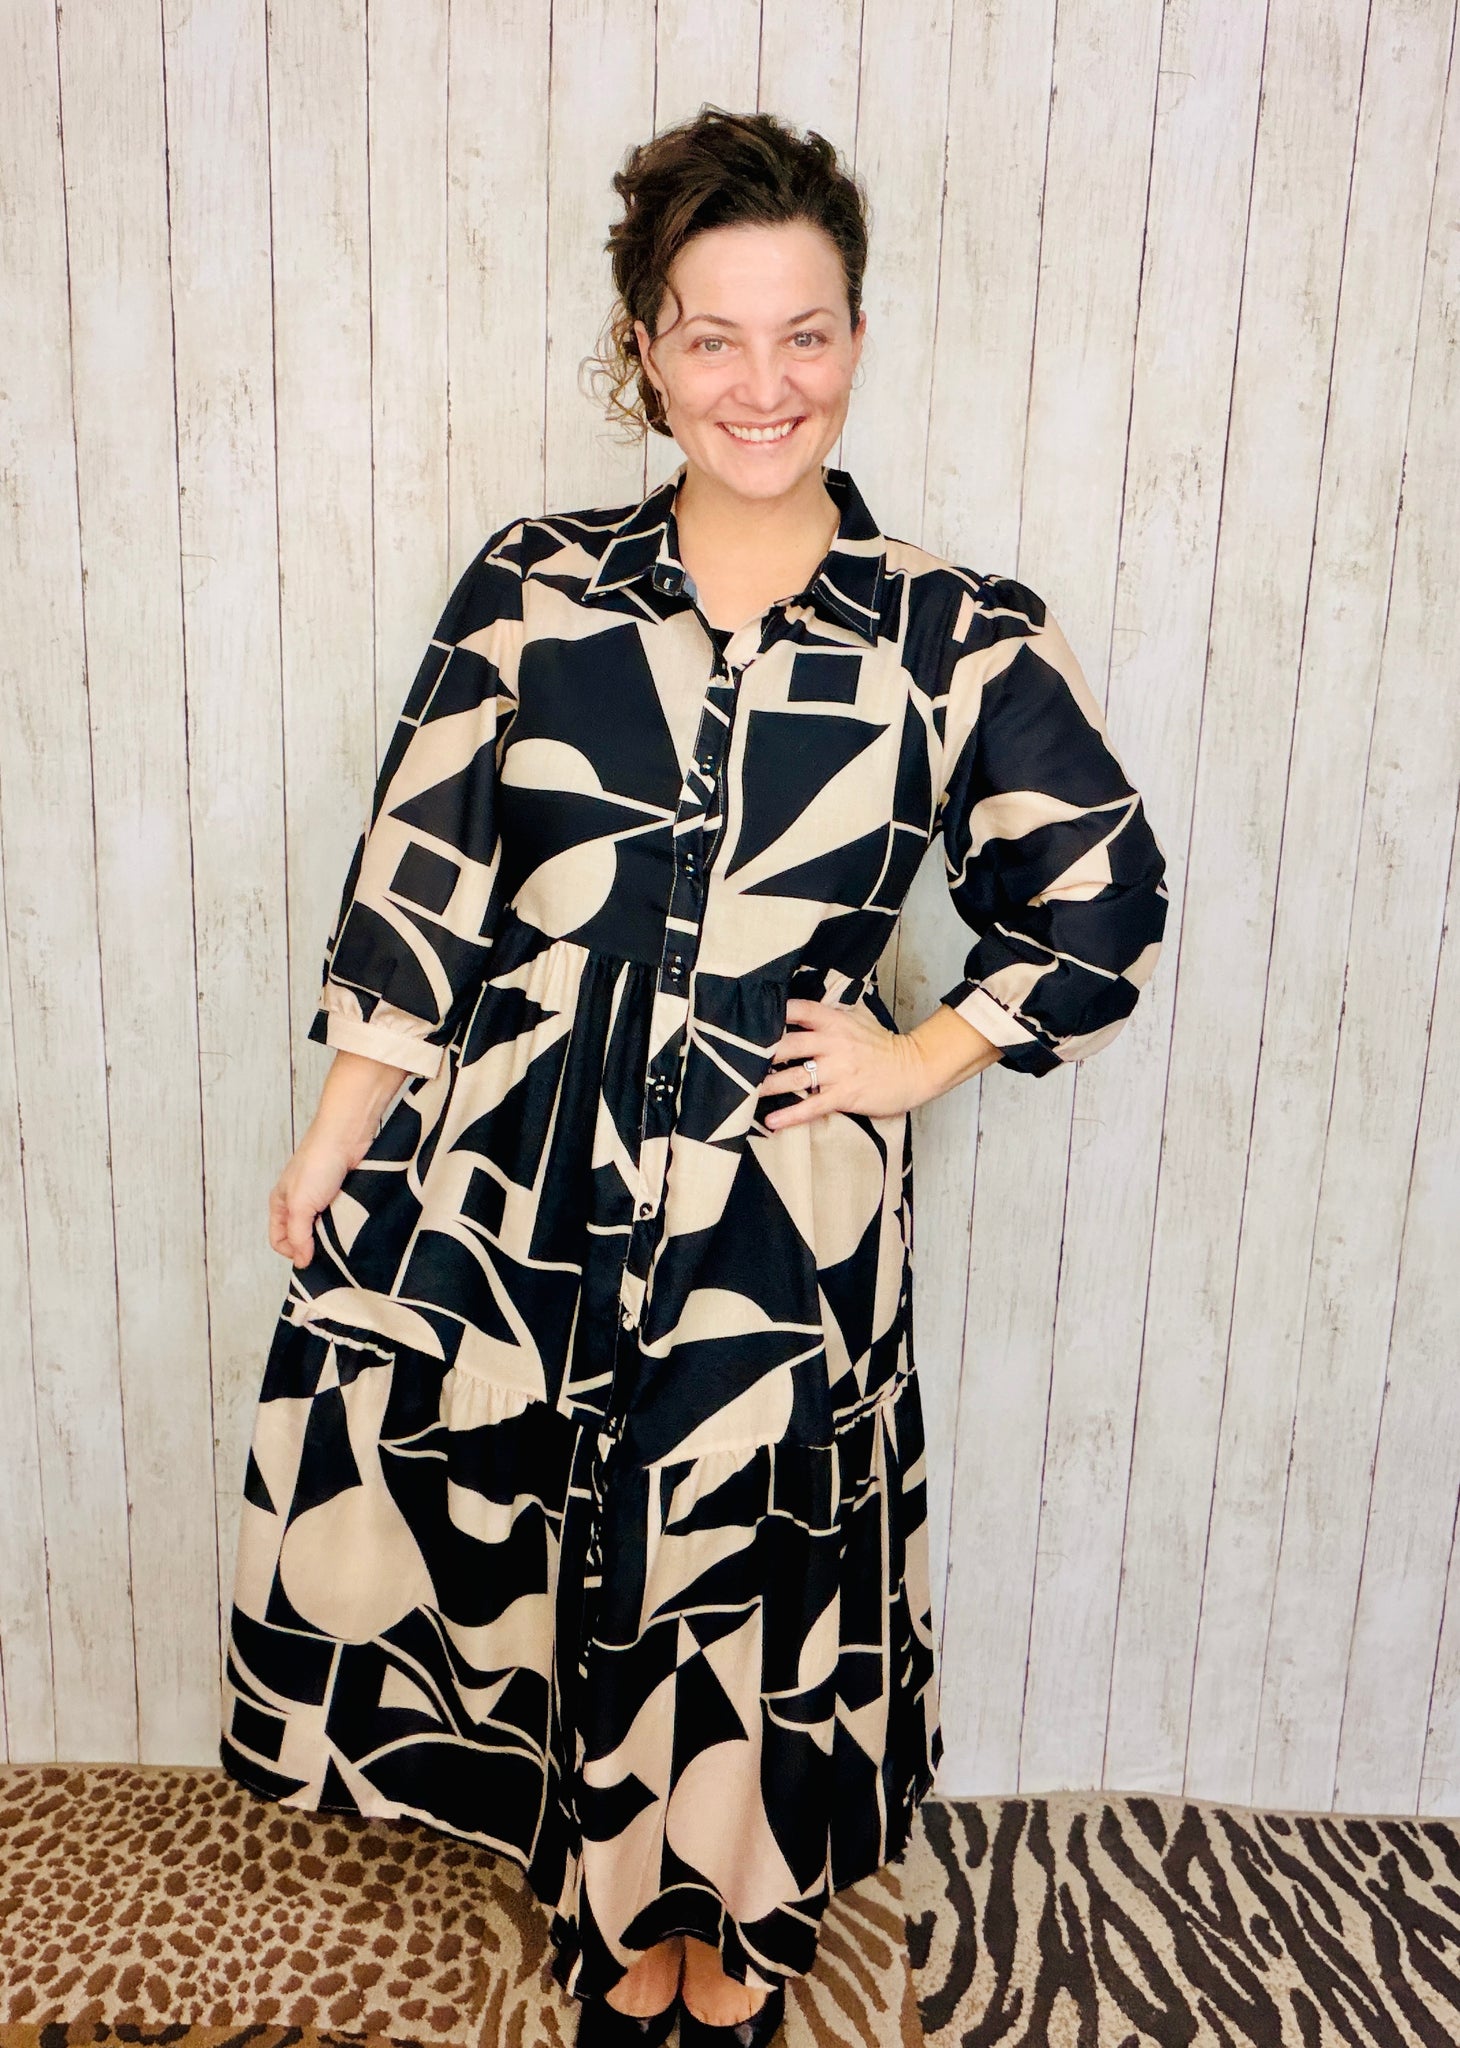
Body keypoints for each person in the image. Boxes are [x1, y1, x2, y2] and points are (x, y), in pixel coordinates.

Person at [220, 106, 1168, 2048]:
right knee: (576, 1542)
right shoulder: (534, 587)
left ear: (858, 337)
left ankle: (724, 1947)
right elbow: (420, 873)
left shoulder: (947, 631)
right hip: (530, 1181)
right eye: (713, 337)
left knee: (742, 1578)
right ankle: (606, 1926)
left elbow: (1102, 898)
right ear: (644, 349)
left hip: (778, 1207)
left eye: (804, 334)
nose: (763, 384)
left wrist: (917, 1053)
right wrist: (335, 1140)